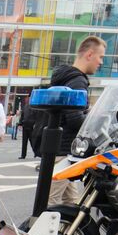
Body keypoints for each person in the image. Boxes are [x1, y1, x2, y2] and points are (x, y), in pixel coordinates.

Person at [31, 36, 106, 205]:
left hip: (60, 149)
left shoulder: (66, 78)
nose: (101, 62)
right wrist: (96, 123)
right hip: (62, 151)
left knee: (71, 202)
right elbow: (74, 119)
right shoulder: (78, 81)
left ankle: (68, 230)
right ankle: (39, 232)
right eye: (100, 57)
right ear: (89, 54)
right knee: (49, 203)